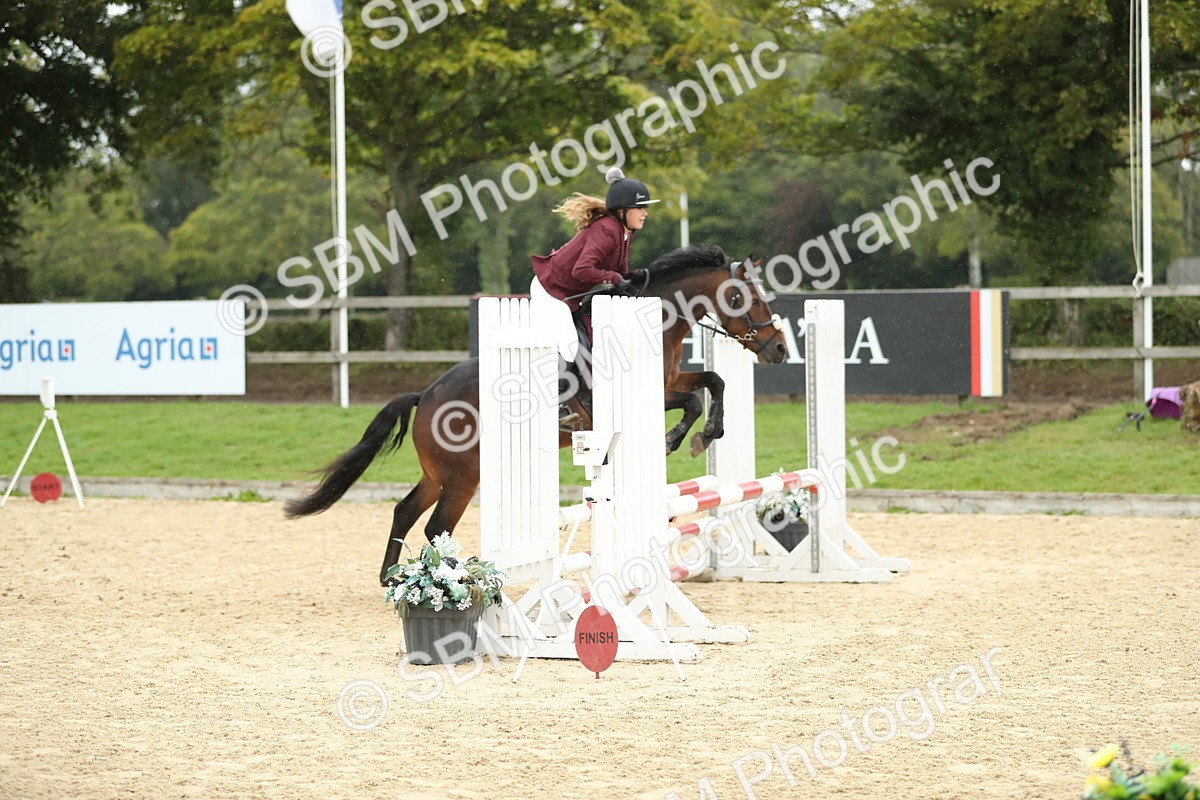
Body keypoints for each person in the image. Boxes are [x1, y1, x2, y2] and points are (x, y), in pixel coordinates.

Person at [531, 166, 658, 421]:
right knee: (569, 345)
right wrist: (613, 278)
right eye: (640, 208)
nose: (645, 213)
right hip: (551, 291)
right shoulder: (607, 230)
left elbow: (619, 270)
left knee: (591, 337)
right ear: (622, 211)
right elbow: (583, 269)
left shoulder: (624, 233)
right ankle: (557, 408)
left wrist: (636, 276)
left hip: (570, 294)